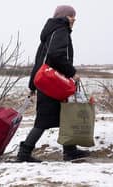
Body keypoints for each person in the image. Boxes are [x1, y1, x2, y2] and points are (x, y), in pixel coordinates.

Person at [16, 5, 90, 162]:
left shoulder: (49, 33)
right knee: (44, 120)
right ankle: (24, 153)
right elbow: (55, 55)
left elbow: (39, 62)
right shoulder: (61, 30)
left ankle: (70, 150)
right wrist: (72, 73)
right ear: (65, 17)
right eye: (72, 17)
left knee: (65, 115)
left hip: (47, 83)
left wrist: (33, 85)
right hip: (54, 84)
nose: (74, 21)